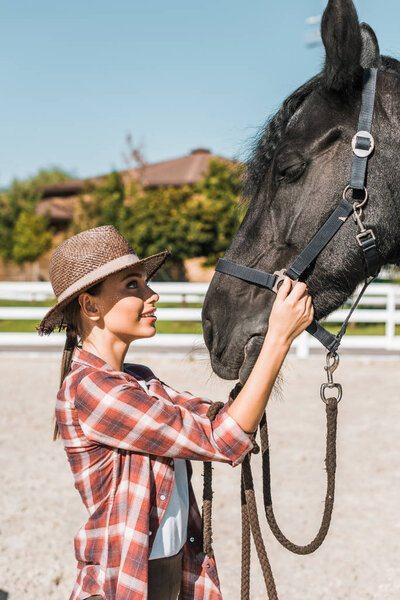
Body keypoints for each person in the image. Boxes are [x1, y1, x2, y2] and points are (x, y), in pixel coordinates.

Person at [37, 225, 314, 600]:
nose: (152, 295)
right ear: (91, 306)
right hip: (122, 585)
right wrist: (279, 339)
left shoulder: (140, 381)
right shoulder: (90, 388)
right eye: (133, 285)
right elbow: (223, 440)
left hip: (163, 580)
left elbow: (219, 419)